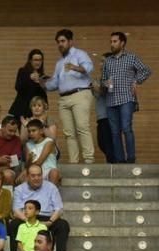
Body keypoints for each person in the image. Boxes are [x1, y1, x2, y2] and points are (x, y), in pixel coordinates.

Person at [100, 31, 151, 164]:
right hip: (111, 100)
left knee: (127, 128)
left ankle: (131, 159)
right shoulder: (108, 61)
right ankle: (120, 160)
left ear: (122, 43)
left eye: (115, 41)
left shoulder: (132, 57)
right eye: (111, 41)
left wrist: (136, 81)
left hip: (127, 98)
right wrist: (105, 83)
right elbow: (103, 80)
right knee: (115, 132)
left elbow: (146, 71)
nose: (112, 44)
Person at [44, 29, 94, 164]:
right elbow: (54, 84)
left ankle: (89, 160)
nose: (60, 44)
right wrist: (41, 83)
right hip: (63, 98)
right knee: (69, 132)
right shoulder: (59, 62)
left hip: (80, 94)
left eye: (63, 41)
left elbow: (89, 68)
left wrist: (74, 67)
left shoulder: (80, 54)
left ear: (71, 42)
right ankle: (74, 162)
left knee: (82, 127)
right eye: (58, 42)